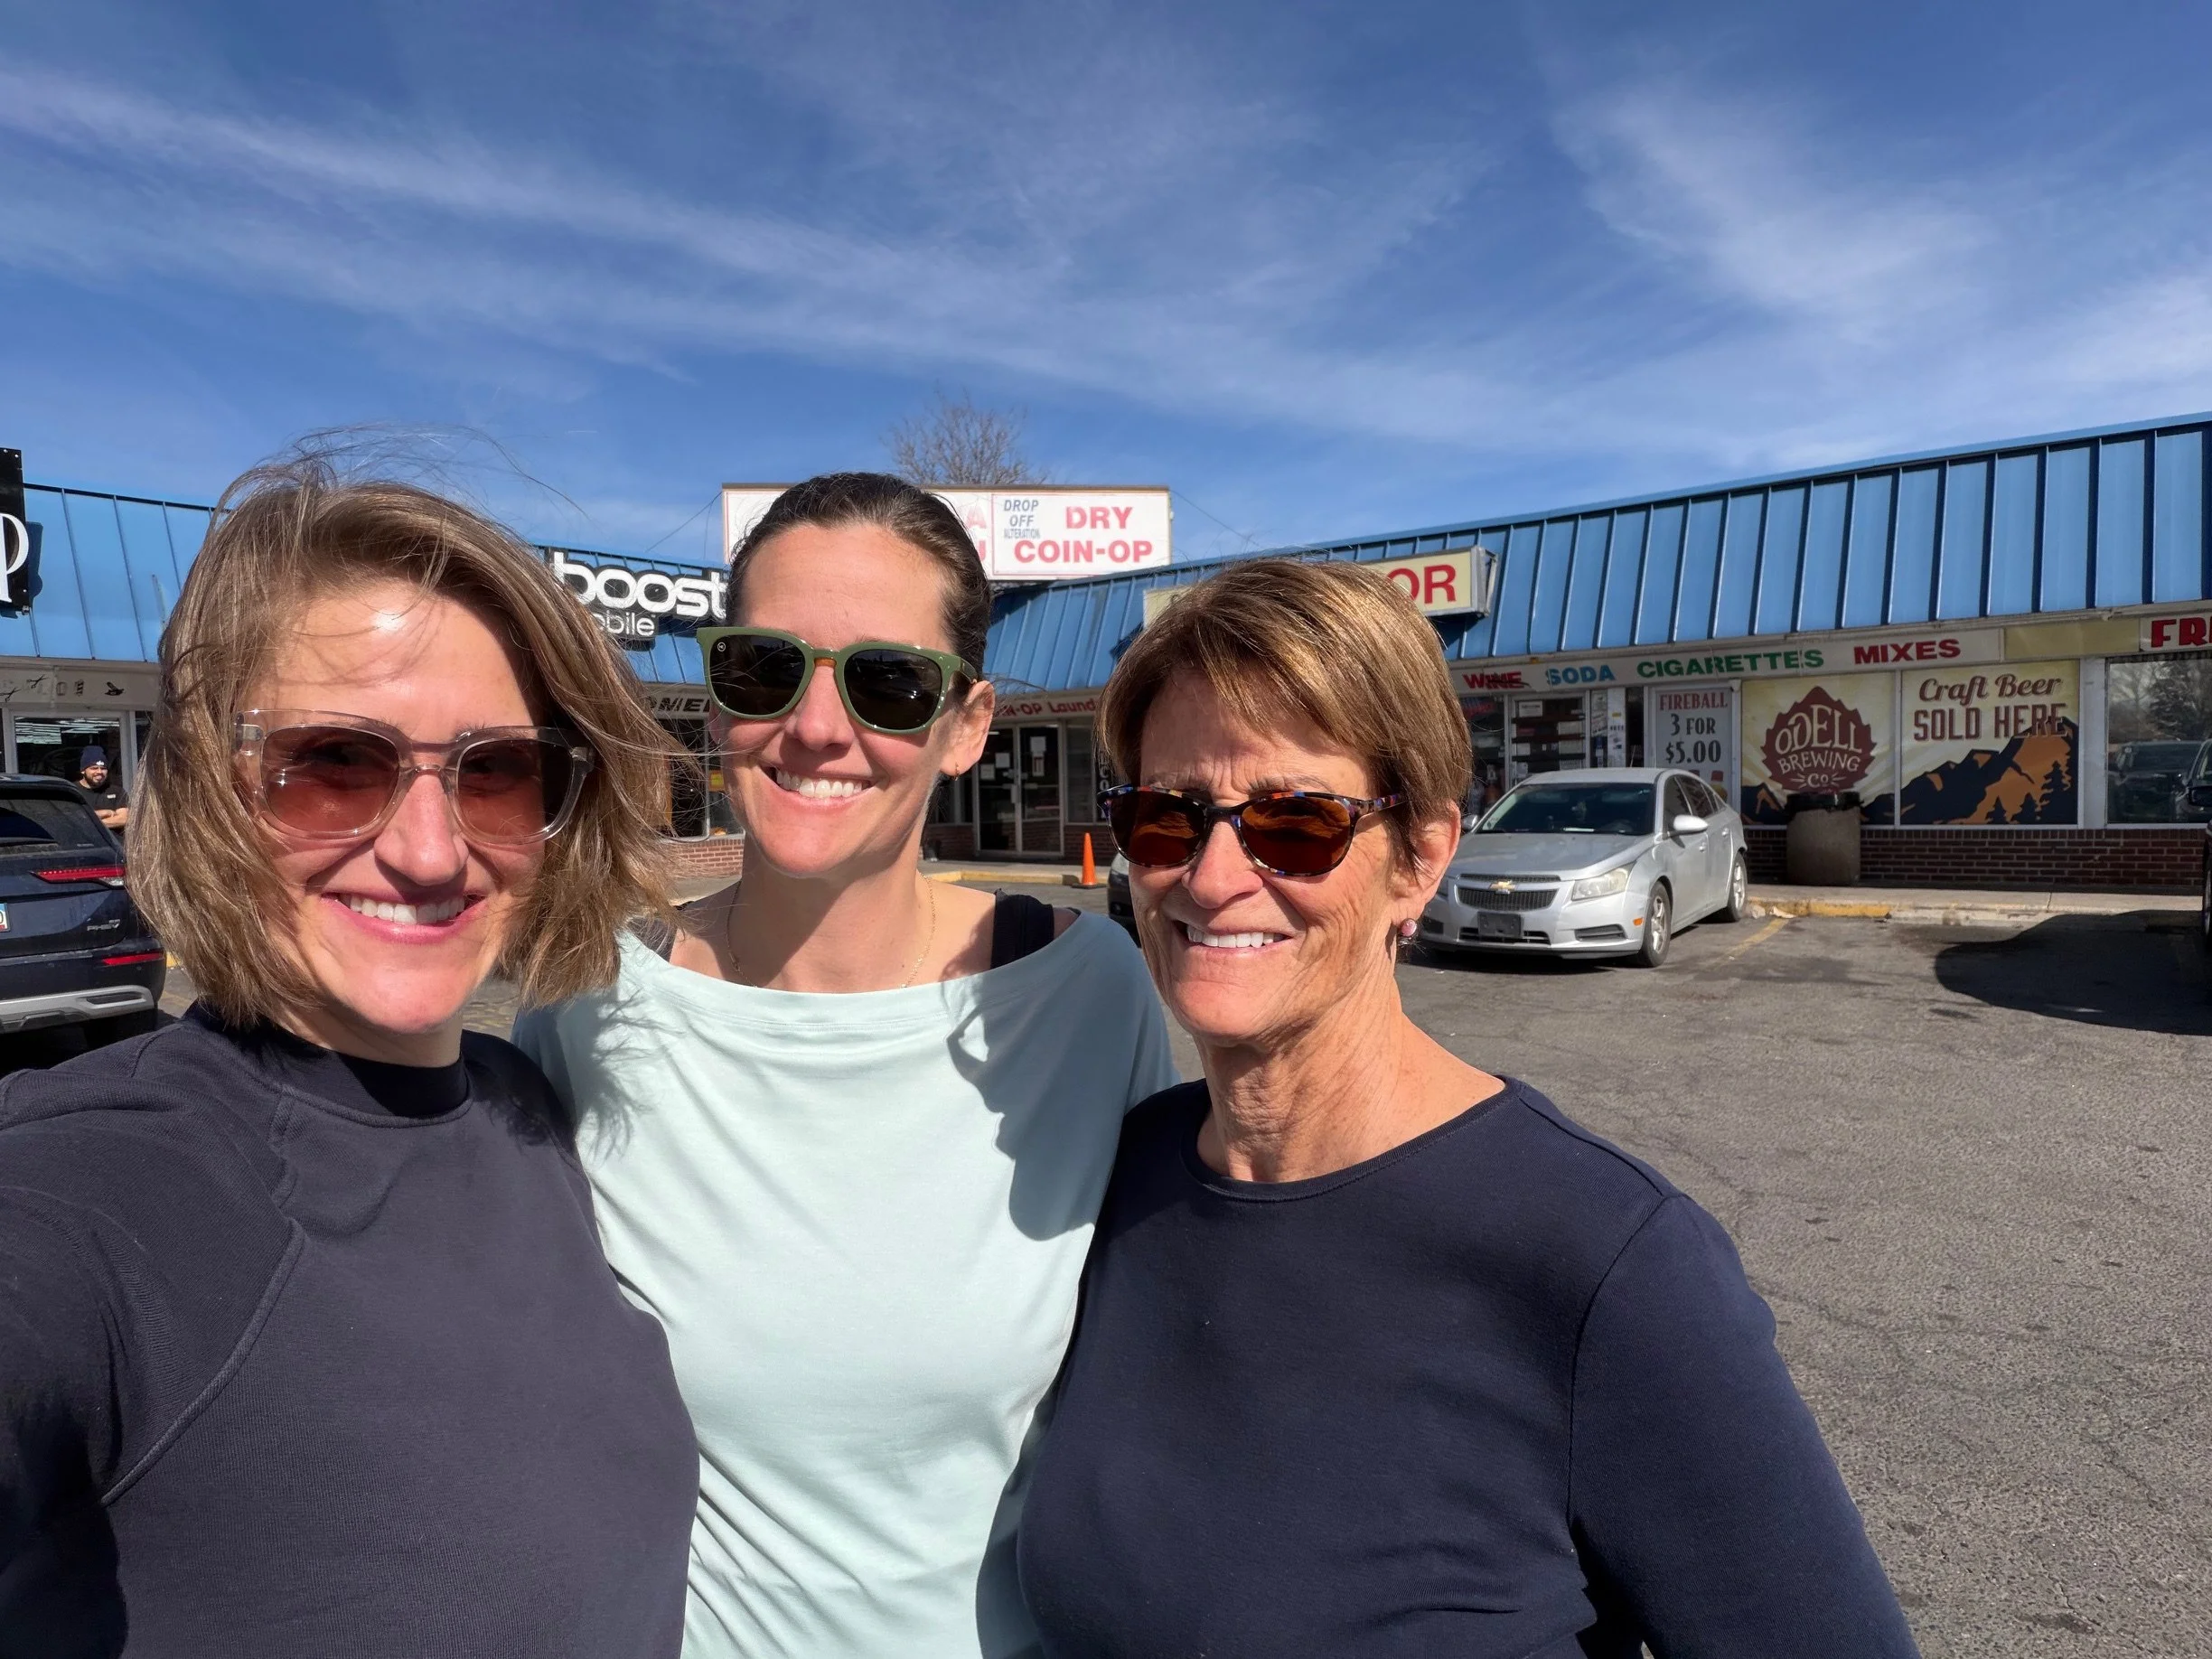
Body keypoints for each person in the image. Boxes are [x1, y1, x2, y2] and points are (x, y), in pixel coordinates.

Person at [1017, 558, 1919, 1659]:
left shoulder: (1605, 1265)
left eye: (1295, 821)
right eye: (1167, 816)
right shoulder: (1114, 1188)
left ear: (1422, 857)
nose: (1211, 877)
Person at [0, 459, 698, 1659]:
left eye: (496, 772)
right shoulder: (100, 1185)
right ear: (210, 788)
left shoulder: (522, 1107)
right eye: (332, 766)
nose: (429, 852)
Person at [515, 472, 1176, 1659]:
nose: (817, 729)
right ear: (718, 700)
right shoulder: (590, 1002)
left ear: (968, 725)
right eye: (766, 669)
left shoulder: (1085, 995)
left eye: (887, 684)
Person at [74, 745, 127, 830]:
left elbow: (123, 819)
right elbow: (72, 818)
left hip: (113, 843)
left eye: (103, 768)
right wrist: (106, 813)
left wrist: (90, 823)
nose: (99, 772)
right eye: (94, 768)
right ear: (83, 771)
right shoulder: (73, 790)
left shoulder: (116, 791)